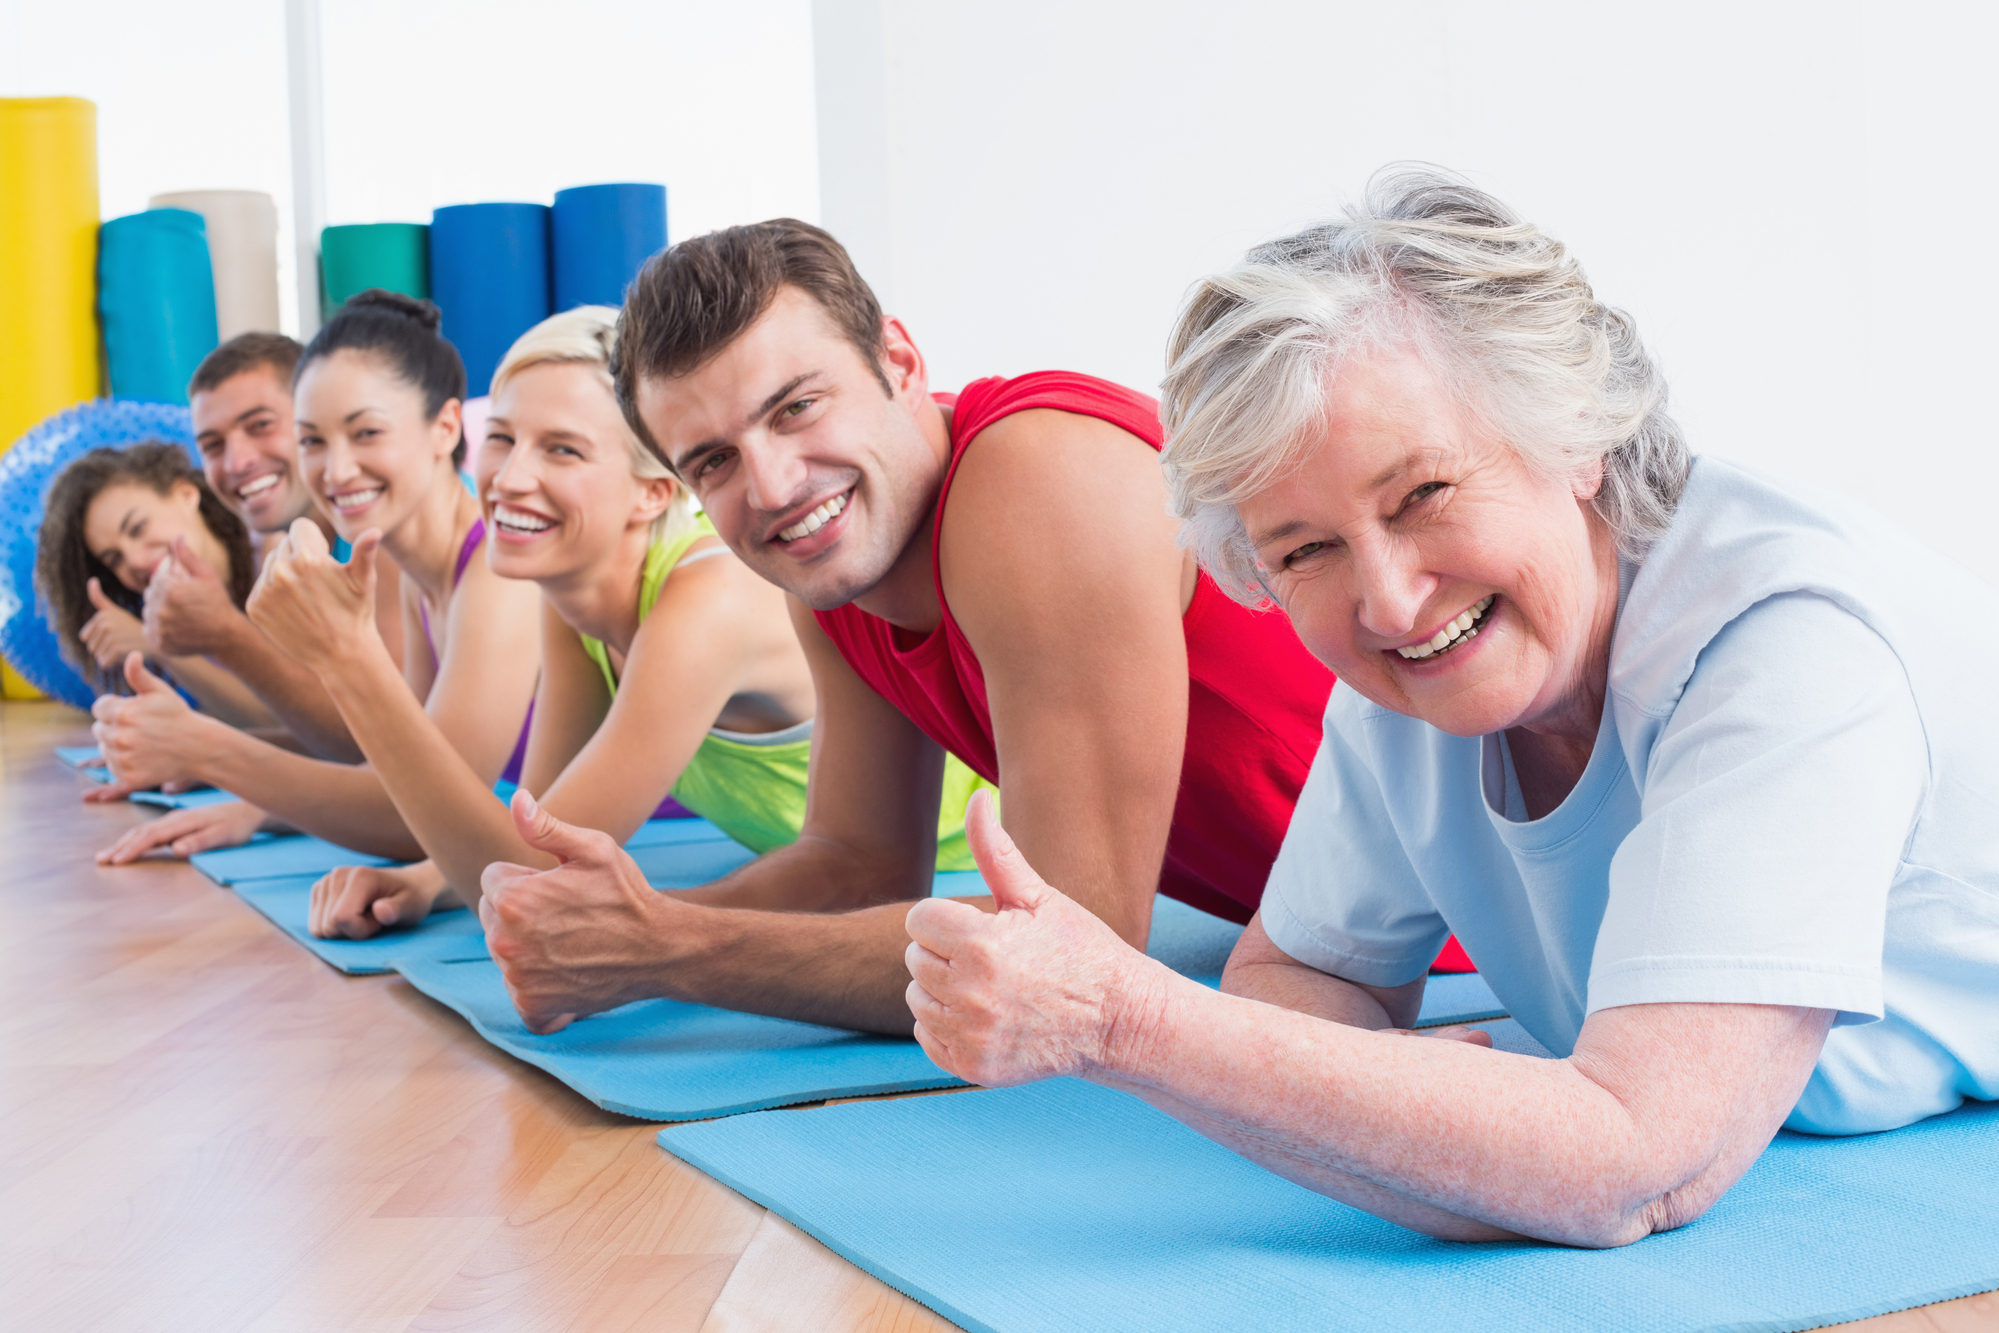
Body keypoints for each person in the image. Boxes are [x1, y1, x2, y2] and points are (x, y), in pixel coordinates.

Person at [897, 167, 1999, 1249]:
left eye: (1422, 494)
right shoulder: (1410, 684)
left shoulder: (1786, 644)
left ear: (1574, 439)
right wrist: (1431, 1127)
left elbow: (1632, 1167)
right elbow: (1300, 977)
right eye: (1305, 549)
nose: (1386, 598)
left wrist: (1121, 1019)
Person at [471, 219, 1343, 1037]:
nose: (772, 486)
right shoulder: (831, 573)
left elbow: (1071, 945)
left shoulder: (1040, 479)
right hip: (1310, 933)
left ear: (898, 360)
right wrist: (616, 925)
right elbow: (856, 863)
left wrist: (661, 947)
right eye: (715, 460)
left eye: (797, 408)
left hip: (1434, 934)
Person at [254, 306, 989, 938]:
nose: (509, 478)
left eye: (563, 449)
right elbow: (540, 830)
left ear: (652, 493)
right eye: (503, 439)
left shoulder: (707, 600)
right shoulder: (568, 598)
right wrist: (428, 880)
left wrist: (348, 659)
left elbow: (532, 871)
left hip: (963, 865)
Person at [92, 290, 541, 864]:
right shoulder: (414, 571)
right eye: (313, 440)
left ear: (446, 426)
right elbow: (403, 769)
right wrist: (258, 809)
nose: (336, 469)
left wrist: (207, 749)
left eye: (367, 433)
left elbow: (422, 816)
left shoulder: (495, 571)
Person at [135, 333, 409, 766]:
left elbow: (383, 746)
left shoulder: (383, 533)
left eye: (261, 425)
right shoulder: (286, 550)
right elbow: (325, 729)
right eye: (213, 446)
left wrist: (225, 635)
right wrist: (195, 751)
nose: (237, 462)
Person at [36, 442, 272, 729]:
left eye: (137, 528)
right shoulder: (181, 613)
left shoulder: (274, 556)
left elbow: (282, 720)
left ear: (185, 495)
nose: (134, 561)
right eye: (115, 559)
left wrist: (156, 645)